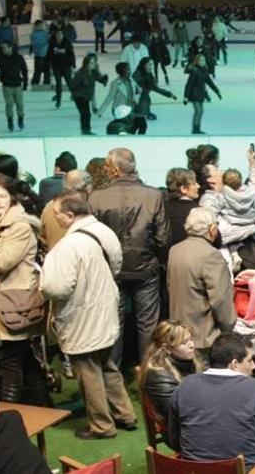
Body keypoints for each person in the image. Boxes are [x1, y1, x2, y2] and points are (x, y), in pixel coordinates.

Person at [40, 191, 136, 439]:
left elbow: (56, 288)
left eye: (57, 215)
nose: (55, 219)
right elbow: (116, 264)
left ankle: (101, 425)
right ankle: (125, 414)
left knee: (88, 372)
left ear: (70, 215)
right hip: (105, 307)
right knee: (107, 364)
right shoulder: (104, 231)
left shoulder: (68, 246)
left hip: (81, 316)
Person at [89, 148, 171, 368]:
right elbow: (163, 237)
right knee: (148, 324)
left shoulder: (97, 196)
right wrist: (159, 261)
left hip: (111, 270)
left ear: (114, 169)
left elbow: (92, 237)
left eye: (107, 166)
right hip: (146, 267)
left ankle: (112, 373)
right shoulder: (154, 195)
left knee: (113, 323)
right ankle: (149, 373)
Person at [0, 174, 47, 405]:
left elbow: (2, 261)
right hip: (4, 299)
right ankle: (46, 405)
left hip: (17, 301)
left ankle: (8, 410)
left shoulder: (19, 227)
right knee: (23, 355)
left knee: (12, 359)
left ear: (12, 197)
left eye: (2, 196)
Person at [166, 333, 255, 463]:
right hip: (244, 470)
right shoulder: (254, 388)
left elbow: (174, 440)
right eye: (250, 360)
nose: (254, 366)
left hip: (193, 470)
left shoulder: (185, 385)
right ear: (234, 364)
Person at [167, 206, 236, 358]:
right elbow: (220, 299)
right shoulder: (211, 255)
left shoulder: (175, 250)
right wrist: (228, 328)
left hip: (179, 330)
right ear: (212, 229)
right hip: (204, 334)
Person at [139, 320, 202, 426]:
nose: (192, 345)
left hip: (196, 419)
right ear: (166, 348)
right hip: (179, 430)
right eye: (184, 343)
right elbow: (176, 414)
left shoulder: (191, 360)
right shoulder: (158, 377)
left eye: (191, 339)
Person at [184, 53, 222, 135]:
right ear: (196, 61)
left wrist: (217, 91)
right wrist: (185, 97)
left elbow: (210, 83)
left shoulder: (204, 71)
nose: (202, 62)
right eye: (200, 60)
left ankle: (197, 128)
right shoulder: (194, 71)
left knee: (200, 111)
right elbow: (188, 85)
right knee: (198, 111)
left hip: (201, 94)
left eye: (203, 60)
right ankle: (195, 129)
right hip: (194, 94)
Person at [69, 53, 108, 135]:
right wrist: (76, 93)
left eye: (94, 62)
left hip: (86, 97)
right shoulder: (81, 73)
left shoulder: (93, 72)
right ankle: (86, 130)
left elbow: (100, 79)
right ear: (86, 63)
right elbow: (72, 84)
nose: (93, 64)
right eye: (91, 63)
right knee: (85, 113)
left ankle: (86, 130)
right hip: (79, 97)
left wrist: (104, 79)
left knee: (86, 114)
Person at [133, 58, 177, 123]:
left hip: (144, 97)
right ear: (144, 65)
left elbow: (156, 88)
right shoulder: (138, 74)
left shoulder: (149, 75)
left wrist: (169, 94)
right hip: (135, 97)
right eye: (149, 64)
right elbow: (131, 86)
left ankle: (145, 111)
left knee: (146, 101)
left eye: (152, 65)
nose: (151, 67)